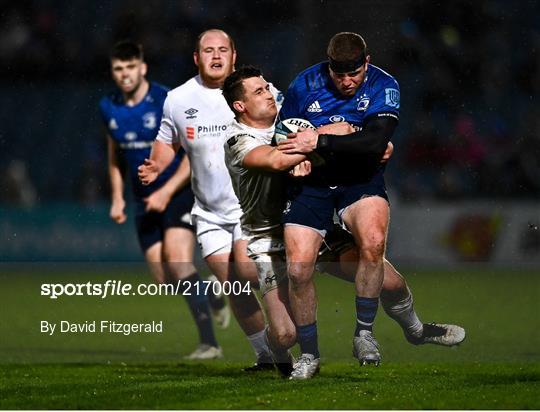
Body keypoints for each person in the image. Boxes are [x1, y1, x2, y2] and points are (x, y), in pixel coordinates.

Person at [223, 66, 465, 380]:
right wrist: (320, 142)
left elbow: (339, 133)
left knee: (390, 282)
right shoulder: (237, 139)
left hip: (309, 220)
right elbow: (277, 160)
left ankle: (416, 330)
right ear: (240, 106)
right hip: (270, 239)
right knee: (285, 335)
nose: (269, 94)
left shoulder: (289, 112)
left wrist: (373, 147)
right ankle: (276, 357)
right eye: (258, 92)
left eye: (267, 87)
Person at [137, 30, 277, 369]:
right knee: (235, 288)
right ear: (196, 58)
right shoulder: (178, 98)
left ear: (233, 55)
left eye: (223, 50)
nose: (216, 56)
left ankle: (293, 331)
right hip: (209, 213)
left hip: (250, 207)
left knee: (248, 273)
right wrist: (156, 165)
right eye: (208, 50)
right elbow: (167, 140)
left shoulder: (255, 90)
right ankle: (266, 357)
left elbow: (283, 126)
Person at [99, 40, 229, 361]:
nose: (125, 74)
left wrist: (166, 191)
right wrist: (117, 197)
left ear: (142, 68)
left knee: (178, 261)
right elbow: (114, 155)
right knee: (165, 278)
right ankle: (211, 292)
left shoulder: (168, 99)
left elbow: (191, 153)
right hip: (144, 199)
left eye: (131, 67)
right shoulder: (108, 106)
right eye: (119, 69)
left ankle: (209, 344)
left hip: (179, 191)